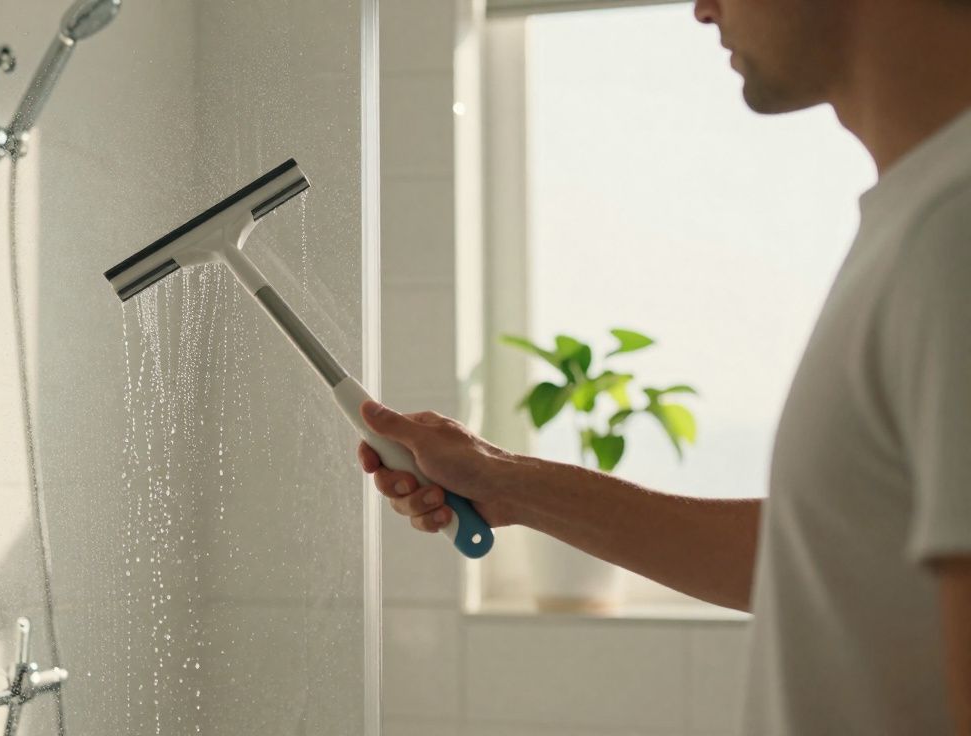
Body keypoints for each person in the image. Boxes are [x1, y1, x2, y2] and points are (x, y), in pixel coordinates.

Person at [357, 0, 971, 733]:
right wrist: (506, 483)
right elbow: (820, 559)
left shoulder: (953, 233)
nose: (702, 9)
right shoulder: (923, 220)